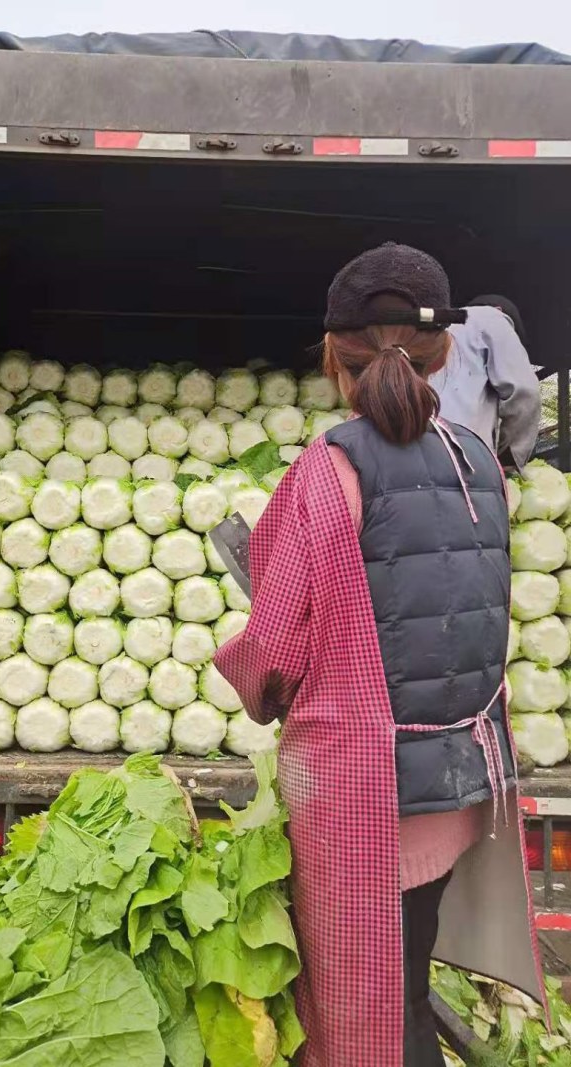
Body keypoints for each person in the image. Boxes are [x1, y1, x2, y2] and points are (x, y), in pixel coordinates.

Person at [213, 243, 544, 1067]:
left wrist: (251, 680)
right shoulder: (482, 463)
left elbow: (276, 649)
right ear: (445, 355)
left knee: (368, 1019)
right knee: (405, 983)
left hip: (369, 799)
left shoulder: (328, 470)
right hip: (454, 786)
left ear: (335, 356)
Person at [432, 294, 540, 470]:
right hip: (464, 457)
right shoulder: (491, 318)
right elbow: (525, 393)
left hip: (416, 450)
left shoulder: (437, 330)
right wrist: (509, 457)